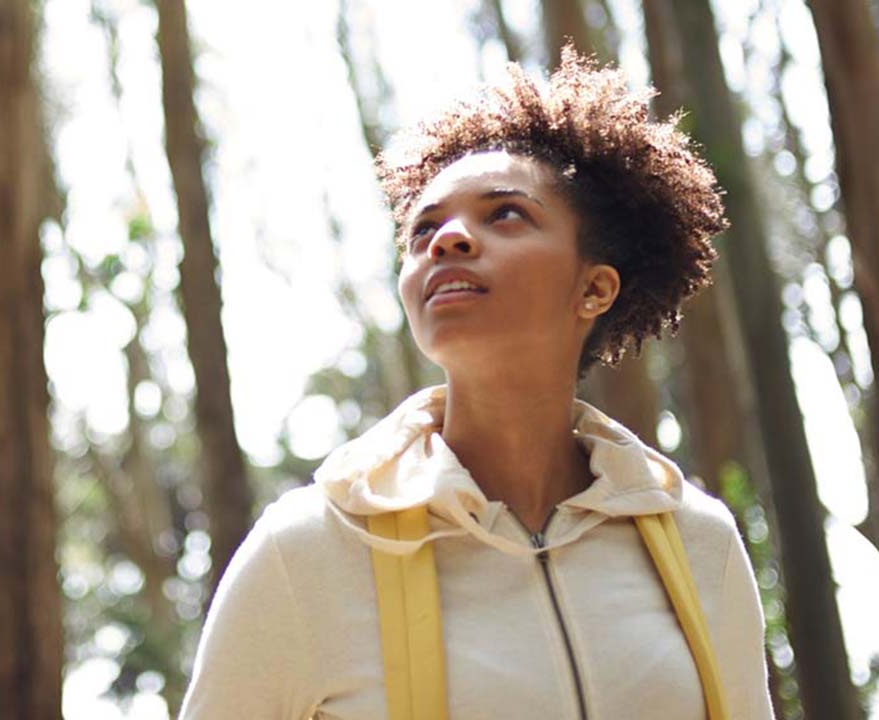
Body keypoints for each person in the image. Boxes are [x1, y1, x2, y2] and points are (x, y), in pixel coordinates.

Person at [178, 50, 775, 719]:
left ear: (595, 287)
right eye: (423, 229)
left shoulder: (698, 543)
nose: (447, 241)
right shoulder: (311, 549)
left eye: (506, 215)